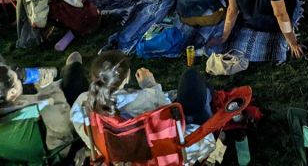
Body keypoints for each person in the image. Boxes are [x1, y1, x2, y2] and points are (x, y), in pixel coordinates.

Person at [70, 51, 216, 162]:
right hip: (159, 157)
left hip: (117, 158)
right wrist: (150, 84)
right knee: (192, 79)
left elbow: (87, 137)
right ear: (127, 77)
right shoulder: (146, 99)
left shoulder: (82, 105)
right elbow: (171, 114)